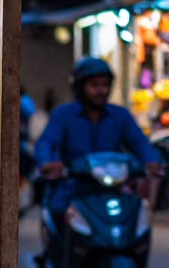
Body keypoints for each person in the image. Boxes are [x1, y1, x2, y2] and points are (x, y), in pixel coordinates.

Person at [34, 57, 161, 213]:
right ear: (80, 87)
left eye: (105, 85)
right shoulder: (63, 115)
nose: (101, 91)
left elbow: (139, 142)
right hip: (74, 188)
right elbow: (46, 142)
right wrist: (47, 162)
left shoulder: (120, 116)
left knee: (137, 216)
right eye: (94, 85)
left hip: (112, 187)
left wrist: (151, 161)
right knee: (59, 212)